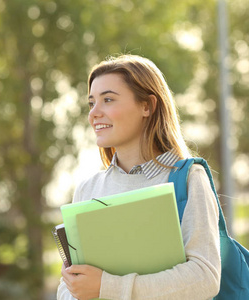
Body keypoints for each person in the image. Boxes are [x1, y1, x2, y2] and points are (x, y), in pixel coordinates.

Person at [57, 54, 221, 300]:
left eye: (108, 100)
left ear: (147, 106)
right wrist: (75, 287)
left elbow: (205, 277)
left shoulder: (187, 178)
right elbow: (66, 289)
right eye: (91, 103)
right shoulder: (87, 189)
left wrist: (107, 287)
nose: (94, 114)